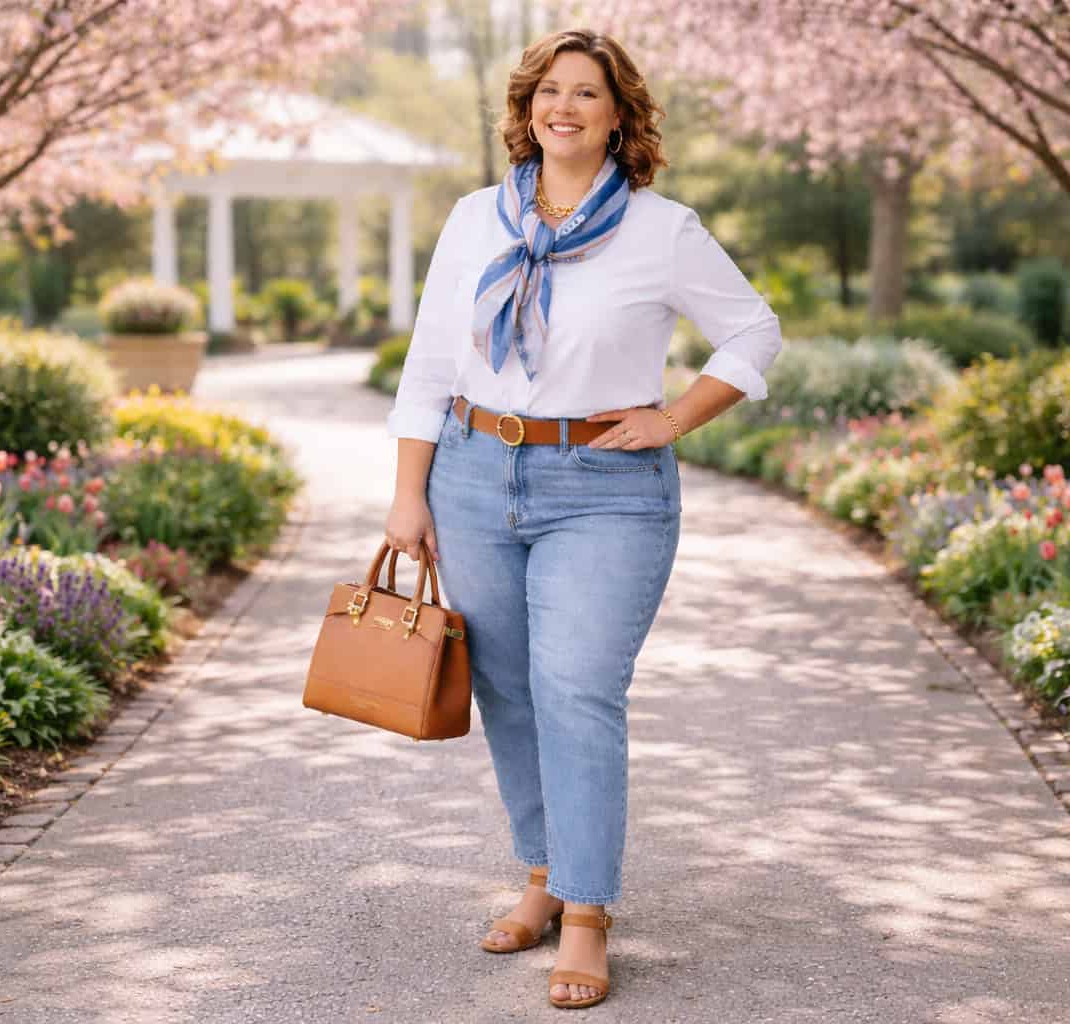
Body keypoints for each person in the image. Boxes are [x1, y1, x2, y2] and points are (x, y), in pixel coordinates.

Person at [383, 26, 782, 1010]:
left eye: (586, 94)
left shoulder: (661, 227)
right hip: (473, 473)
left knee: (576, 689)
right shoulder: (479, 219)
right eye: (547, 92)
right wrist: (408, 492)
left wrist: (676, 414)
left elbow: (753, 328)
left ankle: (590, 912)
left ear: (618, 116)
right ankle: (542, 876)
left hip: (605, 487)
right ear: (527, 110)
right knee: (509, 692)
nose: (563, 107)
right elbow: (432, 362)